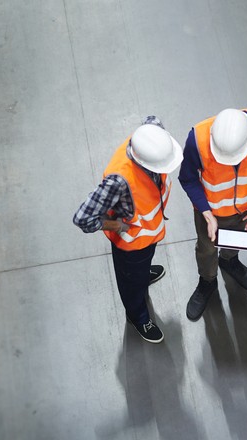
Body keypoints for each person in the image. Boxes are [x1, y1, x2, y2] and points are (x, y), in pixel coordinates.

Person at [73, 117, 183, 343]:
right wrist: (115, 225)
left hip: (149, 235)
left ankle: (142, 276)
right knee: (131, 281)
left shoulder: (152, 131)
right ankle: (137, 315)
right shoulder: (118, 181)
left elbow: (153, 119)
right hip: (131, 245)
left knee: (141, 269)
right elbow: (83, 218)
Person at [178, 108, 247, 320]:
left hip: (246, 206)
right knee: (206, 249)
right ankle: (207, 281)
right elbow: (187, 178)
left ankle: (229, 260)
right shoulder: (197, 139)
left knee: (236, 240)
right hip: (210, 211)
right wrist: (206, 213)